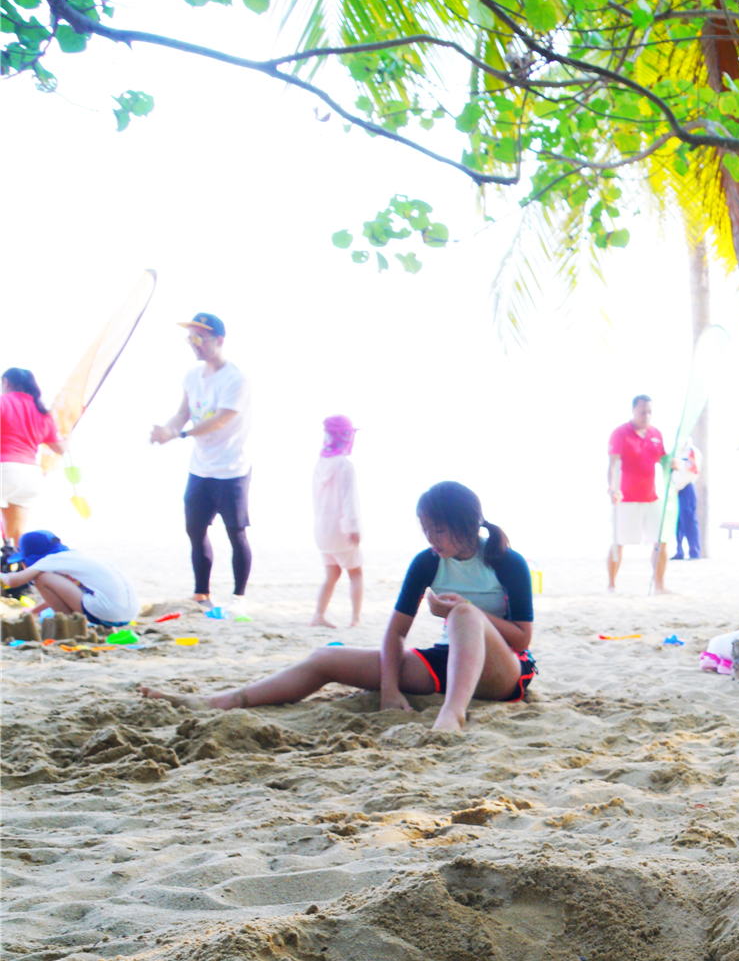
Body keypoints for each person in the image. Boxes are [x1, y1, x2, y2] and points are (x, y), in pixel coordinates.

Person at [141, 482, 535, 735]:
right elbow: (396, 633)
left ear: (466, 524)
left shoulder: (505, 560)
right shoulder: (428, 561)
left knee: (465, 615)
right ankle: (223, 700)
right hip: (448, 663)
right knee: (325, 657)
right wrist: (391, 690)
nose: (431, 538)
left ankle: (452, 715)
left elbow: (521, 637)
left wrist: (464, 610)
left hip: (503, 673)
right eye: (425, 528)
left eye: (439, 529)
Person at [148, 313, 253, 608]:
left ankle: (238, 596)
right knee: (195, 530)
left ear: (219, 340)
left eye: (199, 338)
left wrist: (178, 435)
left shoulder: (236, 380)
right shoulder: (191, 376)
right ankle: (201, 593)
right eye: (189, 338)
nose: (194, 344)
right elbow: (182, 412)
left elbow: (220, 420)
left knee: (236, 532)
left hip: (232, 468)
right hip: (200, 468)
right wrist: (167, 430)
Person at [1, 529, 138, 627]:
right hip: (127, 613)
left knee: (42, 579)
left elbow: (13, 581)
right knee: (48, 580)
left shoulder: (50, 559)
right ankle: (96, 626)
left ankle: (69, 623)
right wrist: (34, 612)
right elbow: (62, 595)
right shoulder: (73, 557)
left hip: (104, 612)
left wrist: (3, 576)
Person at [607, 395, 667, 593]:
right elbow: (613, 464)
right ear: (634, 410)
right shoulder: (620, 433)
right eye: (643, 412)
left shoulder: (656, 434)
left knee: (660, 541)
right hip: (626, 498)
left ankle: (659, 586)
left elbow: (664, 461)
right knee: (619, 542)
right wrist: (612, 489)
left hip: (651, 497)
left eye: (649, 412)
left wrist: (673, 464)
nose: (646, 416)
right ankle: (612, 585)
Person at [311, 415, 363, 628]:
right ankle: (356, 619)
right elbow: (347, 499)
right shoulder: (344, 465)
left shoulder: (321, 464)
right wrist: (353, 528)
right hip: (340, 530)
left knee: (331, 574)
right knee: (356, 573)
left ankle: (318, 615)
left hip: (322, 530)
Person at [1, 368, 61, 544]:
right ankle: (23, 568)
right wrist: (69, 438)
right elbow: (60, 448)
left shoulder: (3, 402)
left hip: (4, 468)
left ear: (6, 382)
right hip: (30, 475)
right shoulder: (42, 411)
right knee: (18, 537)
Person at [669, 435, 702, 561]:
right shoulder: (675, 452)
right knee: (677, 522)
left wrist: (678, 486)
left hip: (686, 488)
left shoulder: (692, 451)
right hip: (674, 489)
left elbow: (691, 472)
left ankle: (694, 551)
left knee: (689, 521)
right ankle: (679, 550)